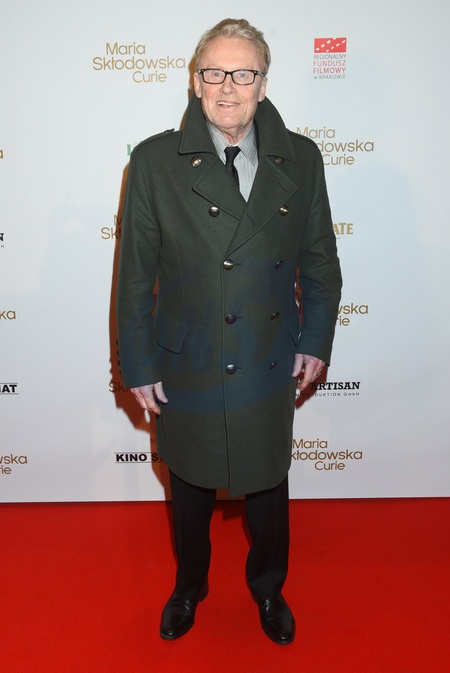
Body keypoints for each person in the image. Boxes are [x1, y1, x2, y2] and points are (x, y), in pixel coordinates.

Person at [117, 18, 342, 645]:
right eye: (214, 72)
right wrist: (139, 363)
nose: (227, 87)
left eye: (243, 74)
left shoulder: (302, 158)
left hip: (267, 353)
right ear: (195, 81)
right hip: (187, 357)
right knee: (189, 485)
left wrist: (315, 340)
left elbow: (321, 263)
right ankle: (189, 586)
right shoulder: (155, 161)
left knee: (268, 482)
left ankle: (268, 587)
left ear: (263, 84)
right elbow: (134, 278)